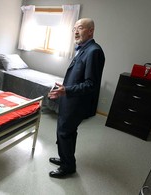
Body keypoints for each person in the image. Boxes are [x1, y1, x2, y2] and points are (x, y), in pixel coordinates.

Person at [48, 18, 105, 178]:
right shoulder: (83, 49)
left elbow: (90, 84)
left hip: (77, 103)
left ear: (91, 30)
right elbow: (79, 76)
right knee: (67, 132)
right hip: (70, 100)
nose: (76, 32)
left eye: (80, 28)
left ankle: (68, 167)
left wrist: (66, 90)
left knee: (65, 132)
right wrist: (65, 85)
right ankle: (65, 158)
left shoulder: (94, 51)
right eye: (74, 29)